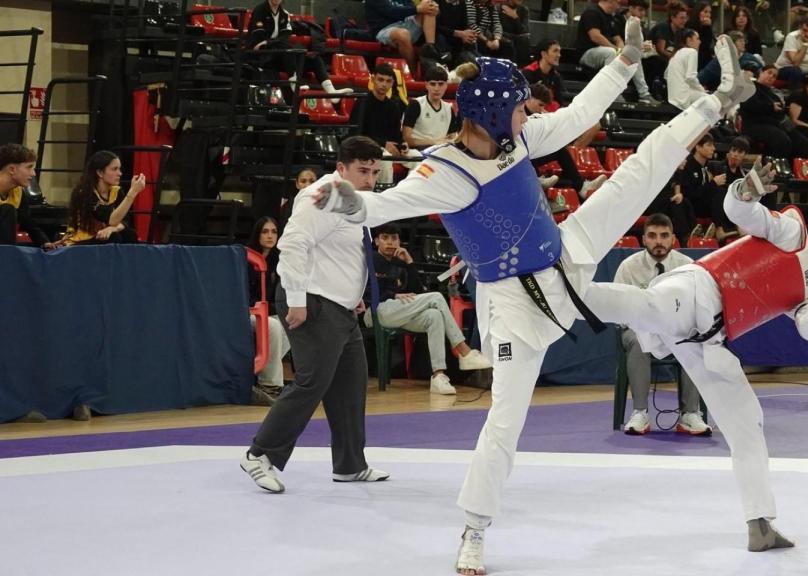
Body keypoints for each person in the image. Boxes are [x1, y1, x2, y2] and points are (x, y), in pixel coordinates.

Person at [314, 30, 755, 575]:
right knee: (506, 416)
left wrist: (625, 63)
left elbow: (577, 115)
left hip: (565, 256)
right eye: (521, 107)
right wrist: (346, 200)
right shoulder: (446, 174)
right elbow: (386, 204)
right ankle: (474, 530)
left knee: (640, 171)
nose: (529, 114)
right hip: (514, 306)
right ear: (494, 114)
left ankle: (716, 100)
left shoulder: (513, 140)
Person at [583, 165, 808, 555]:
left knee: (746, 421)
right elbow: (743, 215)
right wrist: (746, 191)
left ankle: (760, 524)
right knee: (648, 306)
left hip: (709, 339)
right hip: (696, 289)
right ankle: (562, 293)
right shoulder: (793, 230)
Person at [240, 135, 391, 495]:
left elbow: (344, 251)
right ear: (341, 168)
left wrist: (354, 295)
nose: (369, 179)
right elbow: (292, 245)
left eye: (374, 171)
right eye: (362, 171)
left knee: (351, 383)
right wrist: (296, 300)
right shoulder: (320, 198)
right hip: (312, 301)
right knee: (312, 381)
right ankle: (259, 454)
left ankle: (350, 465)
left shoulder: (354, 200)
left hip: (338, 304)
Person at [366, 224, 491, 394]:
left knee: (434, 316)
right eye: (385, 238)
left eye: (394, 238)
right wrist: (393, 295)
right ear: (376, 241)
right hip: (375, 310)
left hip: (401, 313)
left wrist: (409, 263)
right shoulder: (371, 259)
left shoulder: (400, 261)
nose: (390, 242)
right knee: (437, 297)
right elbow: (366, 290)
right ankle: (464, 351)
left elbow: (418, 292)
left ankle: (438, 376)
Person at [616, 213, 710, 436]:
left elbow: (698, 308)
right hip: (640, 329)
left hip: (676, 330)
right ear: (644, 239)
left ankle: (690, 415)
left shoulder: (688, 267)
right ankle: (640, 413)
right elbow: (618, 311)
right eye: (652, 236)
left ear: (673, 239)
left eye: (664, 236)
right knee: (638, 342)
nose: (658, 241)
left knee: (694, 342)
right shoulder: (628, 267)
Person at [247, 0, 342, 102]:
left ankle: (331, 92)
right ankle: (295, 85)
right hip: (262, 55)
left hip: (279, 54)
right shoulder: (260, 10)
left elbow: (284, 36)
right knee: (287, 49)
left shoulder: (284, 14)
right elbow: (258, 37)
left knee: (314, 58)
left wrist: (269, 42)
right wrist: (270, 43)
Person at [525, 84, 607, 198]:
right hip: (517, 157)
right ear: (529, 99)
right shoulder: (518, 112)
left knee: (560, 150)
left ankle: (581, 187)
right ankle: (535, 178)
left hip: (530, 155)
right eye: (540, 105)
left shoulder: (537, 116)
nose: (541, 109)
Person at [577, 0, 658, 105]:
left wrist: (623, 51)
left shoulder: (611, 17)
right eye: (618, 2)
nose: (619, 6)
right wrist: (616, 50)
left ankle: (644, 94)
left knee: (633, 53)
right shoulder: (592, 12)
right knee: (610, 52)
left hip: (606, 51)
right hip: (587, 53)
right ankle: (613, 93)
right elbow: (595, 36)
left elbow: (617, 39)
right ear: (611, 1)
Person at [56, 150, 144, 247]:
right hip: (80, 241)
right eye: (114, 169)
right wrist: (132, 192)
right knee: (114, 237)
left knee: (129, 234)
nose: (120, 173)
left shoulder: (116, 191)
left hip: (102, 237)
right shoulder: (84, 193)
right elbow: (112, 220)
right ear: (100, 173)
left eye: (119, 169)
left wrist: (112, 229)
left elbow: (125, 221)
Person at [247, 216, 291, 402]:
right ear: (257, 234)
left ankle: (264, 378)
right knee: (271, 325)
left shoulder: (281, 260)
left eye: (274, 232)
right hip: (247, 311)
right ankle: (270, 385)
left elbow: (282, 296)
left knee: (290, 323)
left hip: (270, 310)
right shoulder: (245, 259)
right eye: (265, 231)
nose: (270, 236)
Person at [366, 0, 445, 69]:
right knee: (403, 34)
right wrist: (418, 9)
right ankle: (412, 72)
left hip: (404, 23)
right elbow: (391, 12)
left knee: (429, 7)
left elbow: (410, 9)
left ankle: (430, 51)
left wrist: (431, 7)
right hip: (384, 29)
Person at [0, 144, 51, 248]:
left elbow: (28, 222)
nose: (33, 174)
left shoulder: (18, 192)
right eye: (29, 167)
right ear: (12, 169)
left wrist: (45, 243)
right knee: (7, 209)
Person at [354, 63, 408, 158]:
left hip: (389, 149)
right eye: (381, 80)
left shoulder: (393, 106)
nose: (384, 84)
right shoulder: (362, 102)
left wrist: (403, 145)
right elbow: (357, 135)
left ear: (392, 83)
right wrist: (383, 144)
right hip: (368, 148)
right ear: (373, 79)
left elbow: (397, 135)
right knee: (385, 159)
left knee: (417, 158)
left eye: (388, 81)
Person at [739, 65, 793, 159]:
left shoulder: (774, 96)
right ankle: (774, 167)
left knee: (799, 139)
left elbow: (780, 114)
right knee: (781, 139)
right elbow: (749, 105)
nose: (771, 76)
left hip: (771, 125)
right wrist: (770, 107)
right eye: (769, 72)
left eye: (774, 76)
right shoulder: (750, 88)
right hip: (753, 125)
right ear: (761, 73)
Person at [403, 66, 461, 150]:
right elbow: (406, 139)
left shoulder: (449, 108)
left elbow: (453, 137)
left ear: (446, 85)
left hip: (440, 152)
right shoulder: (415, 104)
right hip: (417, 153)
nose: (436, 89)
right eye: (433, 84)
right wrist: (434, 142)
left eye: (440, 84)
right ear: (426, 85)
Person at [665, 28, 704, 110]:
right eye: (697, 39)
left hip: (673, 98)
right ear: (689, 40)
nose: (699, 42)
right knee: (713, 100)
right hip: (684, 97)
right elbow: (690, 77)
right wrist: (701, 89)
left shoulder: (675, 54)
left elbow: (666, 75)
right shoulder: (691, 52)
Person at [522, 39, 566, 110]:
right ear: (544, 54)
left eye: (559, 52)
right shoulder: (528, 73)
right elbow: (526, 102)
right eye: (555, 51)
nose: (559, 55)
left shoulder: (556, 77)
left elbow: (559, 102)